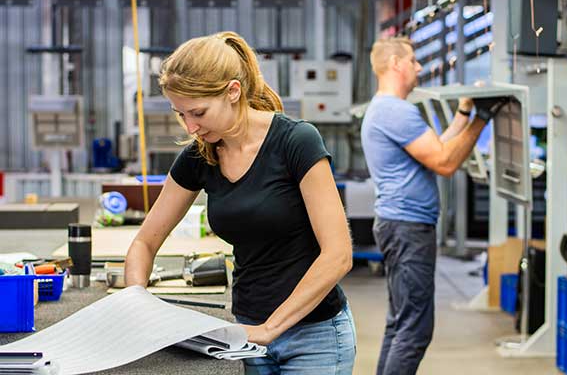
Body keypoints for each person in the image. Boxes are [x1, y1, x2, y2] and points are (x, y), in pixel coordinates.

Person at [124, 31, 356, 375]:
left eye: (198, 112)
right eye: (180, 114)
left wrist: (269, 330)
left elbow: (338, 255)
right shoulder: (200, 156)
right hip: (245, 334)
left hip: (314, 338)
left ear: (233, 91)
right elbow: (145, 241)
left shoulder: (296, 142)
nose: (190, 126)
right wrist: (135, 304)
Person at [360, 36, 501, 375]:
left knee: (401, 323)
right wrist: (482, 119)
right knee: (415, 330)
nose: (419, 67)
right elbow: (444, 162)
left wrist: (466, 111)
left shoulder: (385, 109)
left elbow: (435, 146)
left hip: (400, 224)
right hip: (407, 228)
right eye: (413, 60)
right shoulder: (396, 111)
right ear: (396, 64)